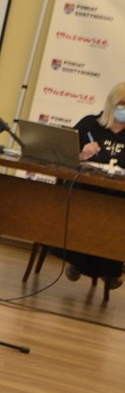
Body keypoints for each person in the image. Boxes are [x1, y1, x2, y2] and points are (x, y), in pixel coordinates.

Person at [57, 80, 125, 288]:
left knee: (116, 215)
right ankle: (80, 264)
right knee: (85, 207)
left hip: (119, 195)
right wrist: (81, 155)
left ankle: (108, 269)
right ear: (111, 103)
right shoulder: (89, 124)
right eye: (122, 104)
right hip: (86, 190)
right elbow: (62, 157)